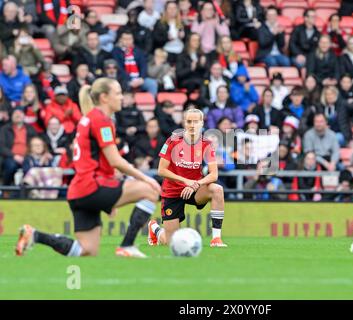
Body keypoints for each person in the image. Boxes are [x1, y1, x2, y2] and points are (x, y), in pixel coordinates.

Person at [15, 78, 161, 258]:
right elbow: (115, 160)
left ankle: (35, 235)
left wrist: (111, 197)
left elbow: (103, 161)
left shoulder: (90, 119)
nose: (122, 97)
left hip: (79, 191)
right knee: (150, 190)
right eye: (118, 93)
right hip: (92, 187)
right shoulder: (101, 120)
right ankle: (127, 245)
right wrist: (145, 178)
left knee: (86, 251)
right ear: (104, 97)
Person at [147, 108, 227, 248]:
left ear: (202, 123)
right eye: (189, 121)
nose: (192, 125)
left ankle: (216, 239)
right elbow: (161, 170)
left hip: (194, 188)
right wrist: (185, 181)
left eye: (195, 122)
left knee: (217, 189)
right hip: (172, 191)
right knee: (170, 242)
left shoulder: (206, 144)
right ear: (184, 123)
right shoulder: (173, 140)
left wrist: (196, 184)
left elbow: (214, 174)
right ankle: (155, 228)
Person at [112, 31, 158, 97]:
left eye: (129, 39)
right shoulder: (116, 51)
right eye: (125, 39)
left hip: (139, 79)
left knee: (152, 83)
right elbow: (119, 68)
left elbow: (143, 66)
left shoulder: (138, 51)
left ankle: (152, 104)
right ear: (120, 40)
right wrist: (130, 79)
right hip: (123, 79)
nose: (127, 41)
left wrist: (142, 78)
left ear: (133, 40)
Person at [0, 107, 36, 185]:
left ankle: (26, 189)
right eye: (15, 114)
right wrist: (14, 156)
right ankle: (6, 188)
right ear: (11, 116)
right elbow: (1, 146)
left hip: (27, 156)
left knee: (29, 166)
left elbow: (35, 143)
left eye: (20, 113)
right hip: (10, 157)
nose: (18, 115)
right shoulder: (5, 129)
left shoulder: (30, 129)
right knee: (10, 166)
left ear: (24, 116)